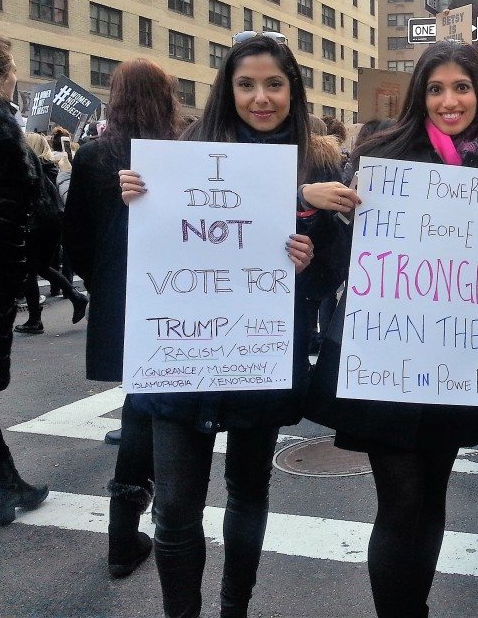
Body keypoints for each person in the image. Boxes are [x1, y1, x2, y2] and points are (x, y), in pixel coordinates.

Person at [118, 34, 345, 617]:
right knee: (174, 509)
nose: (261, 98)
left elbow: (334, 275)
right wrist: (137, 200)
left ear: (293, 89)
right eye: (246, 84)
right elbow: (152, 256)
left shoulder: (318, 161)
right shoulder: (185, 151)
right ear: (228, 88)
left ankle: (233, 609)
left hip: (260, 357)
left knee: (248, 498)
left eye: (274, 84)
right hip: (182, 358)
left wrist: (309, 261)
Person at [305, 40, 478, 618]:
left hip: (456, 360)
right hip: (386, 357)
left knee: (432, 499)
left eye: (462, 87)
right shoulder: (381, 155)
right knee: (399, 500)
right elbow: (345, 257)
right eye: (436, 89)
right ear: (419, 95)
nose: (450, 101)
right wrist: (339, 215)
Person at [64, 59, 184, 578]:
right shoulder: (183, 155)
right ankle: (138, 526)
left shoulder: (91, 157)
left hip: (120, 294)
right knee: (158, 409)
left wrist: (103, 283)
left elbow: (77, 242)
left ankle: (123, 534)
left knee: (140, 404)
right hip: (177, 297)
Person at [0, 33, 49, 527]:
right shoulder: (2, 132)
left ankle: (8, 482)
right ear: (0, 75)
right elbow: (32, 205)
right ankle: (7, 483)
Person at [13, 132, 88, 334]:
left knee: (31, 269)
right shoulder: (34, 159)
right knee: (40, 267)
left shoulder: (21, 155)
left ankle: (35, 320)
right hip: (47, 219)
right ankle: (75, 296)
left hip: (37, 220)